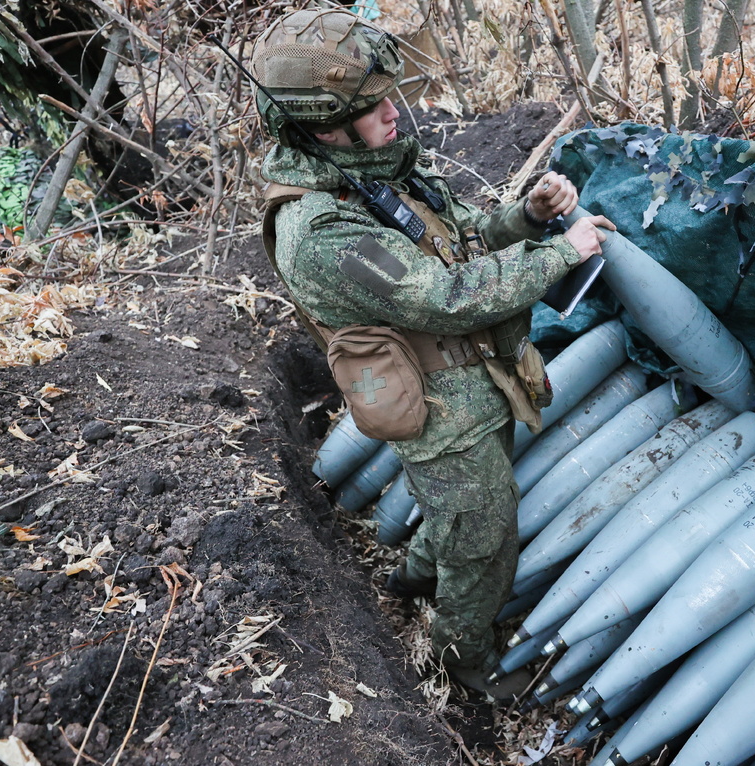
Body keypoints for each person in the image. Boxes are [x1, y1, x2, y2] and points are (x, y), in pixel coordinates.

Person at [249, 8, 615, 697]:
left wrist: (526, 217)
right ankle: (459, 667)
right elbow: (447, 296)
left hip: (475, 383)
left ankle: (413, 578)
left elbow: (457, 236)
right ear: (324, 126)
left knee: (464, 516)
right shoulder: (320, 228)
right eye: (373, 105)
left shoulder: (369, 167)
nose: (395, 112)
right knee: (481, 545)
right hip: (443, 410)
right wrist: (559, 252)